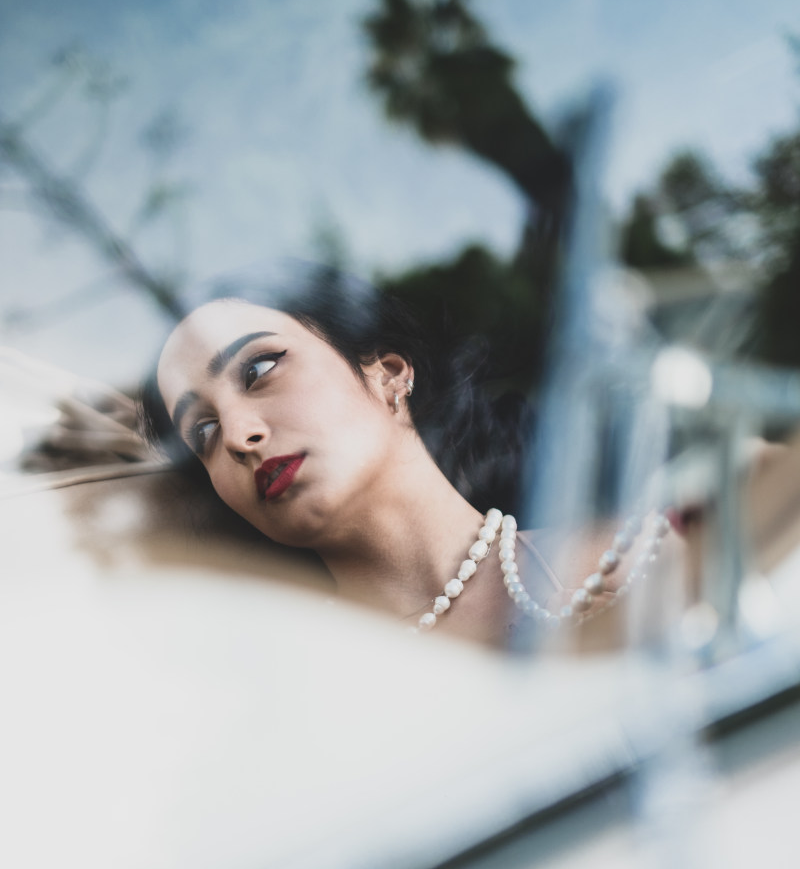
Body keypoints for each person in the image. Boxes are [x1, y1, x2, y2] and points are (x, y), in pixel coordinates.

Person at [140, 270, 666, 648]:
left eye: (258, 371)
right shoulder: (291, 698)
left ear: (388, 374)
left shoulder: (637, 559)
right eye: (201, 432)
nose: (236, 434)